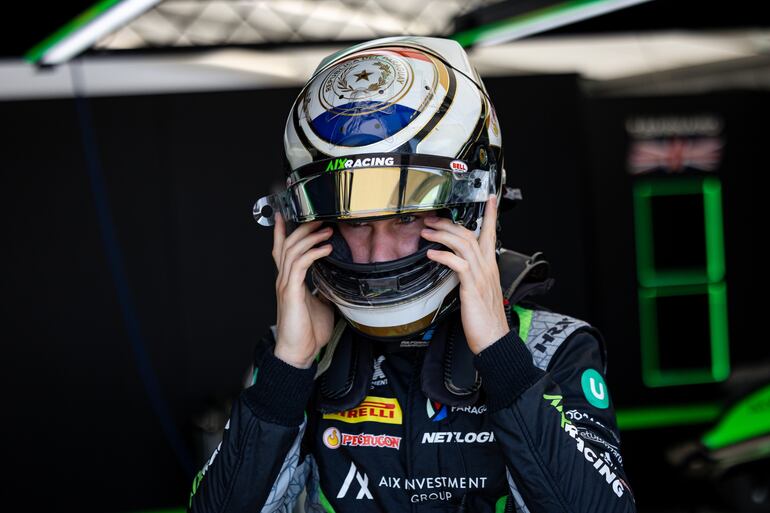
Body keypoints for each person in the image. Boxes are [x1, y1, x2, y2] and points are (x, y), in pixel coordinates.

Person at [187, 36, 637, 513]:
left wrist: (502, 357)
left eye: (406, 217)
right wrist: (289, 370)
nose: (379, 253)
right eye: (357, 222)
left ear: (474, 209)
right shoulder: (293, 350)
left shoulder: (554, 347)